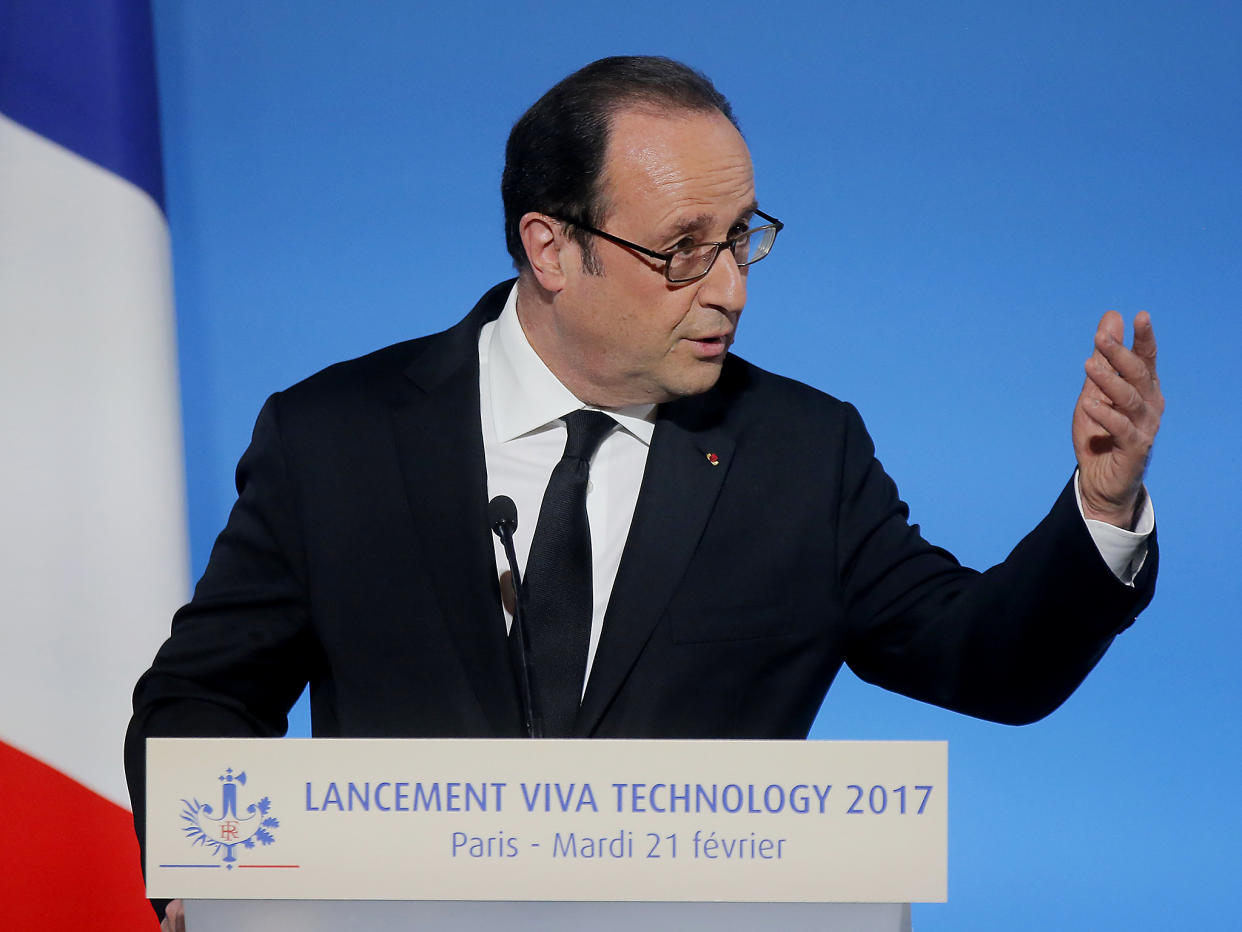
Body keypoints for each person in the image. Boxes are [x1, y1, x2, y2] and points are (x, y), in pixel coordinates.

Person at [127, 56, 1161, 929]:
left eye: (742, 236)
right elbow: (203, 694)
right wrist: (204, 870)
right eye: (681, 248)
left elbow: (989, 659)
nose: (730, 287)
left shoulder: (801, 453)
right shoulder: (336, 438)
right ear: (550, 247)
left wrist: (1102, 505)